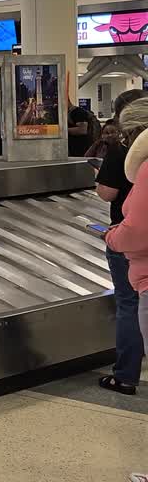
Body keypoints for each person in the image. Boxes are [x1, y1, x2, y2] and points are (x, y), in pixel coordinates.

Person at [94, 89, 148, 395]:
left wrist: (111, 236)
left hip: (135, 252)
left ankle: (126, 374)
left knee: (129, 304)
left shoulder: (126, 157)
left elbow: (136, 228)